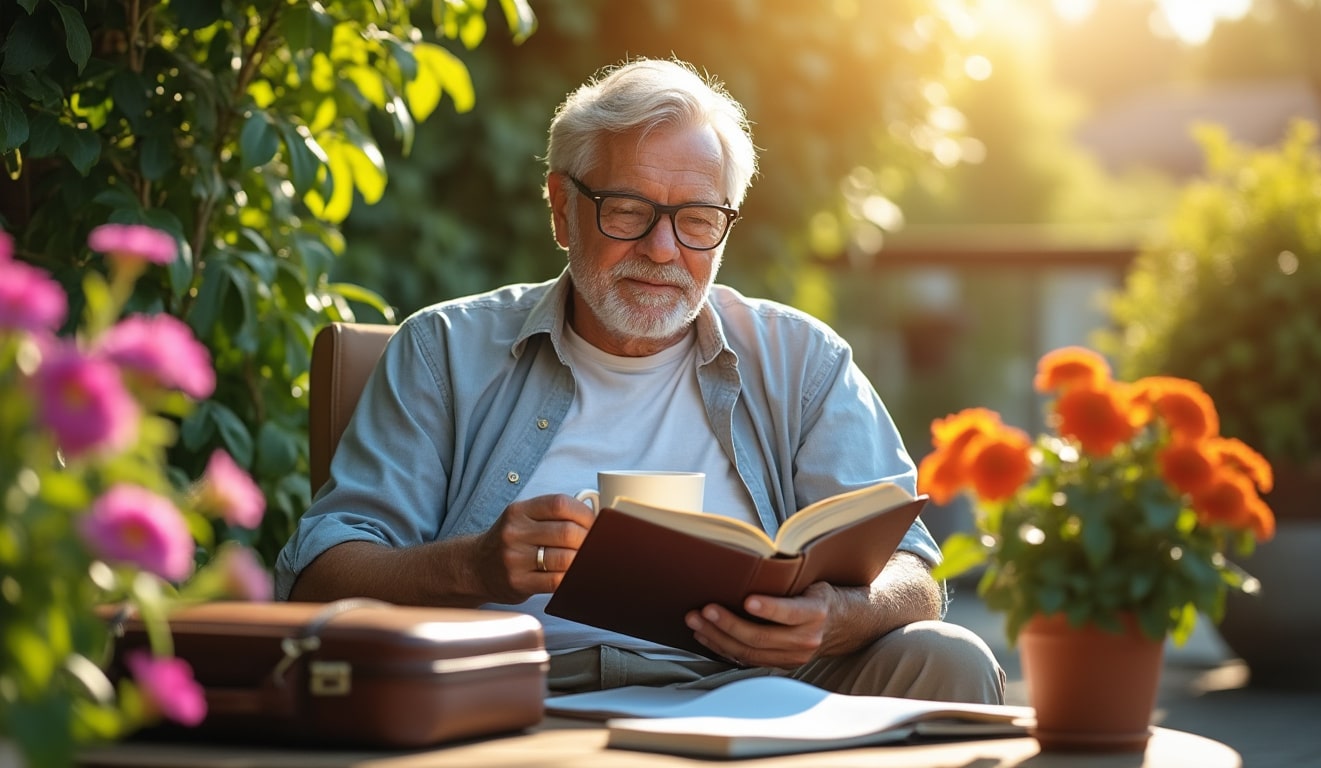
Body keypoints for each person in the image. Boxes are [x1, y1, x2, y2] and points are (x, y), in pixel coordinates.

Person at [275, 57, 1005, 704]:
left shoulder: (802, 361)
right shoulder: (444, 350)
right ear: (563, 209)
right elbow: (320, 573)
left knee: (948, 660)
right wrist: (471, 568)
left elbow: (911, 566)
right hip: (512, 688)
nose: (663, 250)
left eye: (696, 220)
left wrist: (839, 618)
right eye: (628, 211)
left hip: (755, 689)